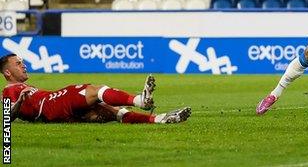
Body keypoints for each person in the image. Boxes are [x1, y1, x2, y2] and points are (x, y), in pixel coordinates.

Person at [1, 54, 191, 124]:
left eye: (23, 62)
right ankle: (140, 100)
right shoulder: (9, 91)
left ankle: (159, 119)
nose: (24, 66)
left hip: (53, 110)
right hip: (51, 104)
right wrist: (18, 103)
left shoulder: (24, 87)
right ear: (8, 73)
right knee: (93, 90)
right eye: (18, 64)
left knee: (110, 111)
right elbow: (7, 118)